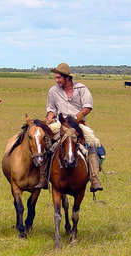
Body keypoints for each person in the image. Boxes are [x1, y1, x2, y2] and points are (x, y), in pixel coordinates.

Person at [36, 62, 103, 192]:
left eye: (59, 78)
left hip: (78, 125)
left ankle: (95, 179)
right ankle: (43, 177)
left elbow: (87, 107)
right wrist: (50, 116)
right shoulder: (53, 90)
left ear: (67, 78)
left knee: (91, 144)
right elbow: (51, 109)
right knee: (45, 142)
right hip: (59, 124)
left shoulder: (81, 89)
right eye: (55, 78)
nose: (56, 80)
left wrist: (74, 119)